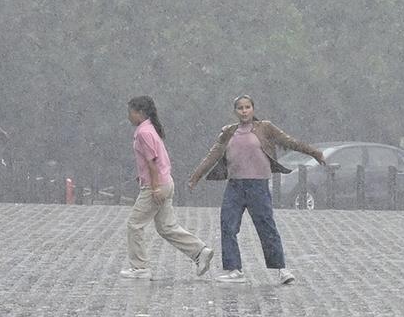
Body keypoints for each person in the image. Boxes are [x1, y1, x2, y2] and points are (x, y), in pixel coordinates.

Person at [187, 95, 324, 285]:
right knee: (228, 225)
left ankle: (282, 269)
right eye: (240, 108)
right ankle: (234, 269)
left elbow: (289, 142)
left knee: (266, 226)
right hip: (235, 185)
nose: (244, 111)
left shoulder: (265, 128)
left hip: (258, 185)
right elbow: (213, 155)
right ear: (235, 111)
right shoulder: (228, 132)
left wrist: (314, 152)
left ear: (253, 109)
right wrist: (195, 177)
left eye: (247, 107)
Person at [120, 96, 214, 280]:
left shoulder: (143, 133)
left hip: (156, 186)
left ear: (140, 113)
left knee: (134, 224)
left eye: (130, 112)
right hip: (165, 182)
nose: (128, 116)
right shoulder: (149, 129)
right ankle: (199, 251)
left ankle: (140, 267)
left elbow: (152, 161)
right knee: (166, 227)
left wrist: (154, 187)